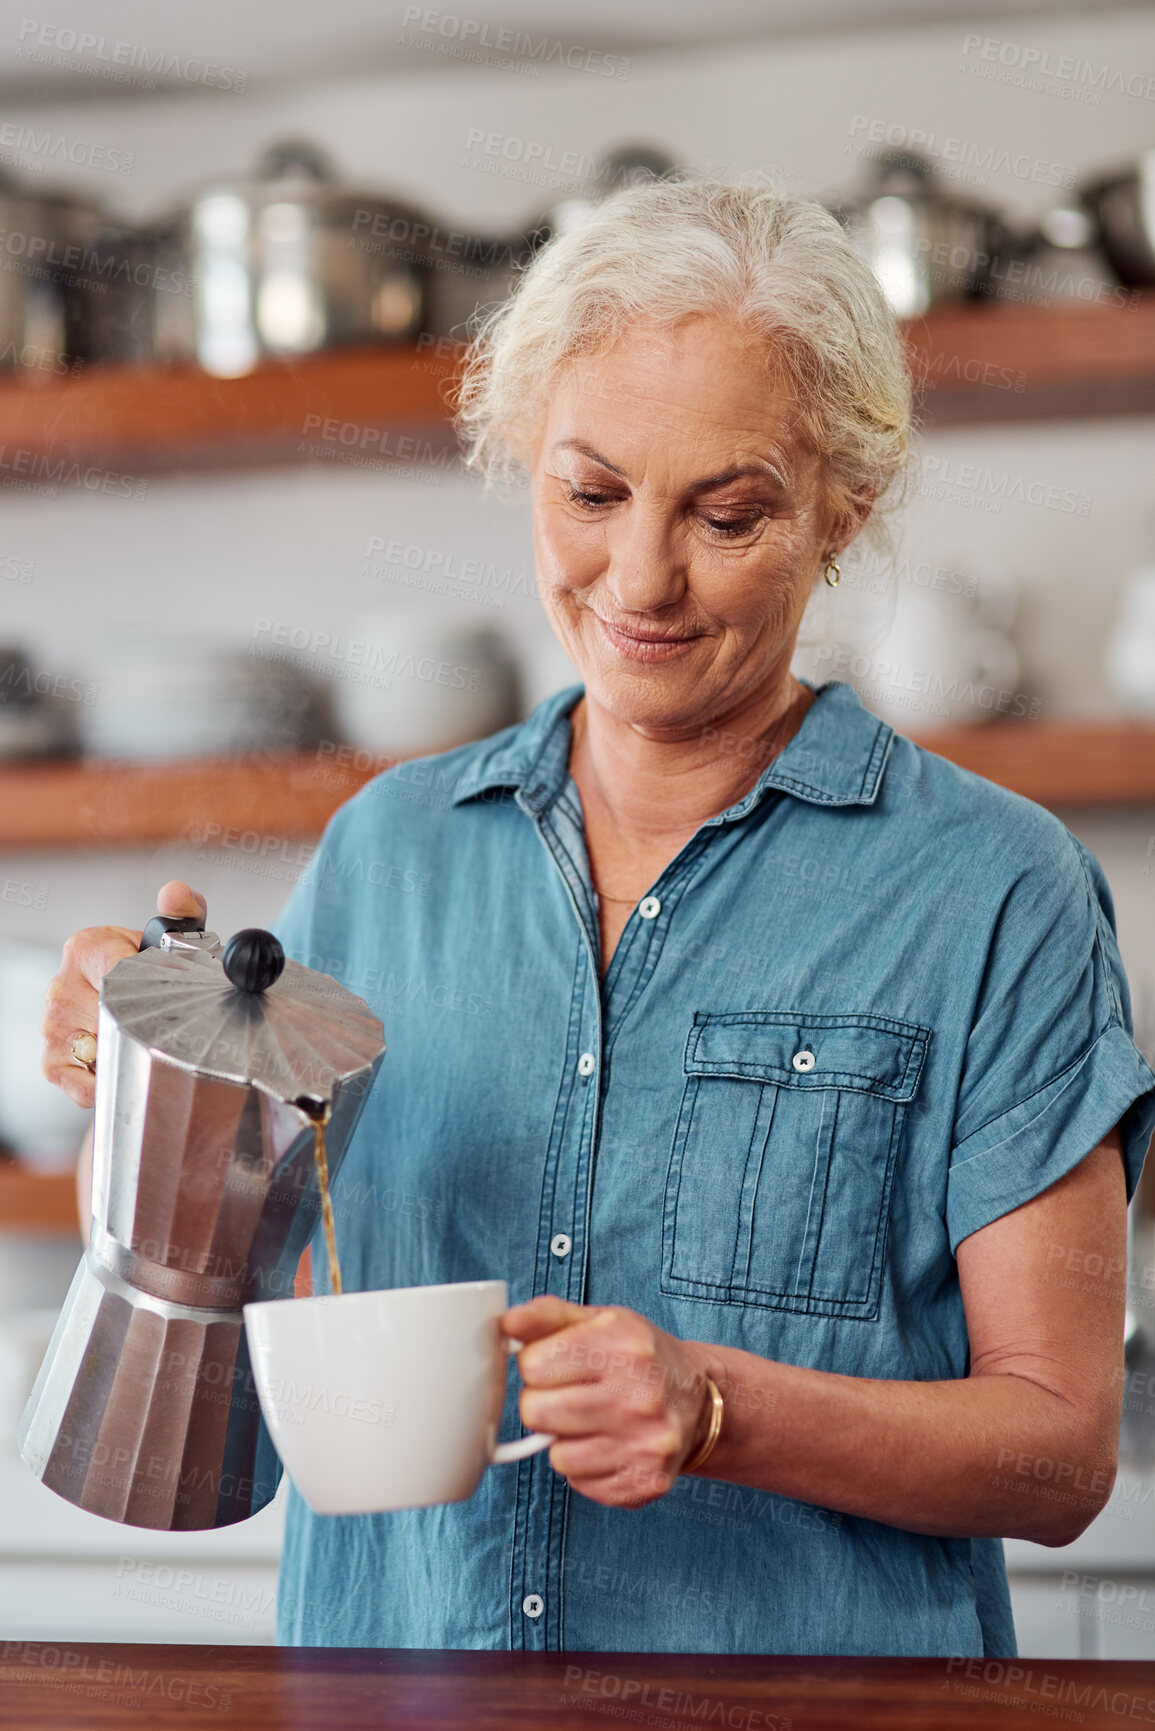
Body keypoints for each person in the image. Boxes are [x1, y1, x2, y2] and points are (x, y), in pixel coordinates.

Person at [44, 176, 1155, 1658]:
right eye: (591, 491)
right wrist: (149, 1103)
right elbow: (237, 1343)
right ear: (522, 465)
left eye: (730, 511)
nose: (641, 578)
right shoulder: (387, 855)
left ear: (845, 505)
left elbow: (1062, 1453)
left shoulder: (997, 892)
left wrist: (717, 1408)